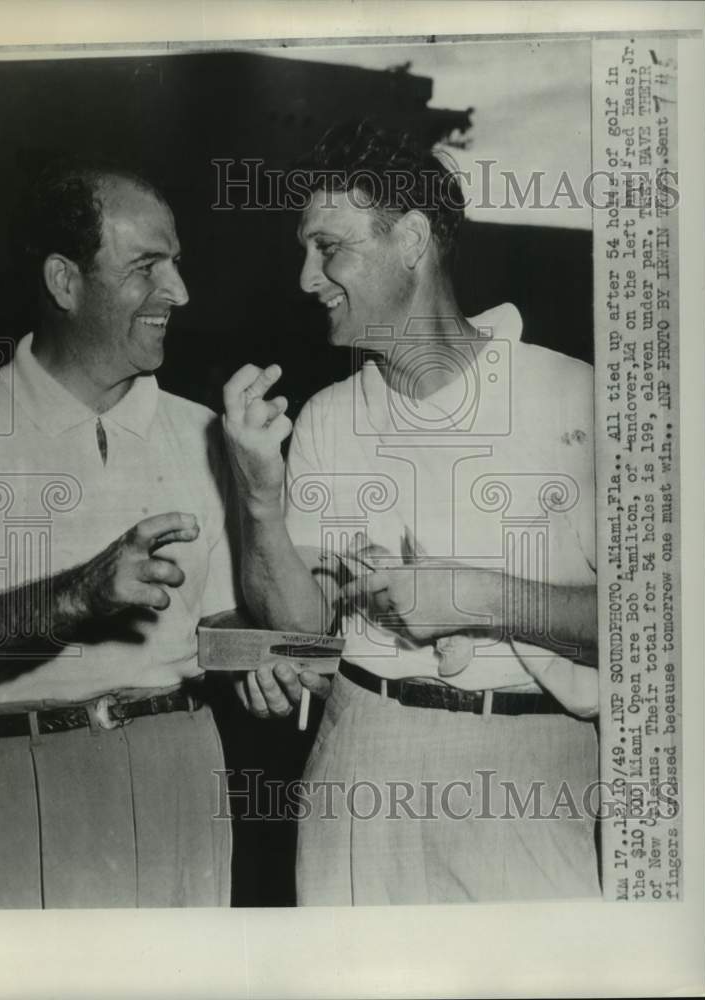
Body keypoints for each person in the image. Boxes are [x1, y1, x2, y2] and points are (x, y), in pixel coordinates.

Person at [223, 120, 601, 904]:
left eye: (328, 247)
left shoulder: (579, 396)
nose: (305, 277)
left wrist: (479, 599)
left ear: (414, 239)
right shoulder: (327, 416)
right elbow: (301, 625)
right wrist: (259, 497)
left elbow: (667, 634)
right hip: (357, 755)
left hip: (527, 772)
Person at [0, 163, 236, 908]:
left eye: (176, 264)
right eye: (148, 267)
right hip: (15, 779)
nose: (179, 292)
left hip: (182, 771)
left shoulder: (205, 432)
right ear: (64, 280)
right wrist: (78, 594)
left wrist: (273, 655)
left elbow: (217, 627)